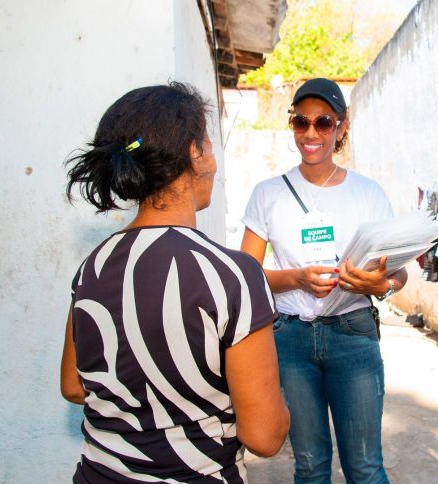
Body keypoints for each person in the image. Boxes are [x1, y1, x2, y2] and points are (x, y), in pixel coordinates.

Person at [60, 82, 289, 483]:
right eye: (208, 142)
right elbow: (265, 437)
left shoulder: (91, 268)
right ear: (194, 152)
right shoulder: (231, 274)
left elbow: (74, 387)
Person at [240, 78, 405, 484]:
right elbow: (244, 275)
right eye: (301, 122)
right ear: (292, 125)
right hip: (291, 339)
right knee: (310, 465)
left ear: (342, 127)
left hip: (353, 333)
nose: (311, 133)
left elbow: (398, 274)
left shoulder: (367, 193)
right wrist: (296, 277)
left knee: (365, 467)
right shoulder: (268, 194)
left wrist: (374, 284)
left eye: (323, 122)